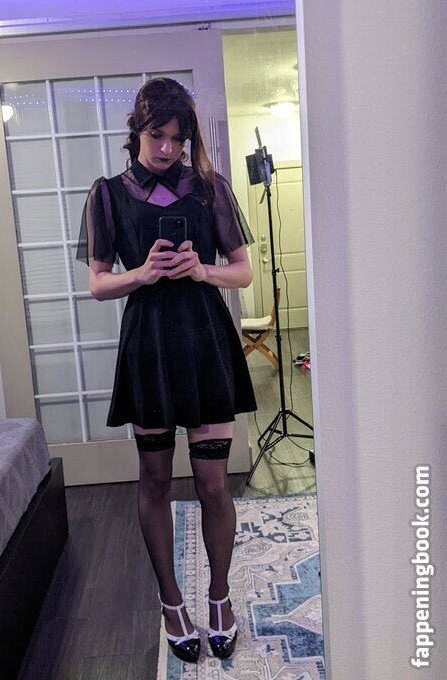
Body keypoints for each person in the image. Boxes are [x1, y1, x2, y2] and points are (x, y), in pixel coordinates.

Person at [77, 77, 257, 663]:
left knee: (214, 485)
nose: (167, 148)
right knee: (154, 479)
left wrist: (202, 271)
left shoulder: (210, 189)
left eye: (179, 139)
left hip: (205, 343)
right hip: (149, 348)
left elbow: (243, 272)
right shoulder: (107, 195)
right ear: (137, 130)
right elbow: (99, 283)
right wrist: (143, 274)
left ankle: (220, 597)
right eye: (158, 135)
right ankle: (171, 601)